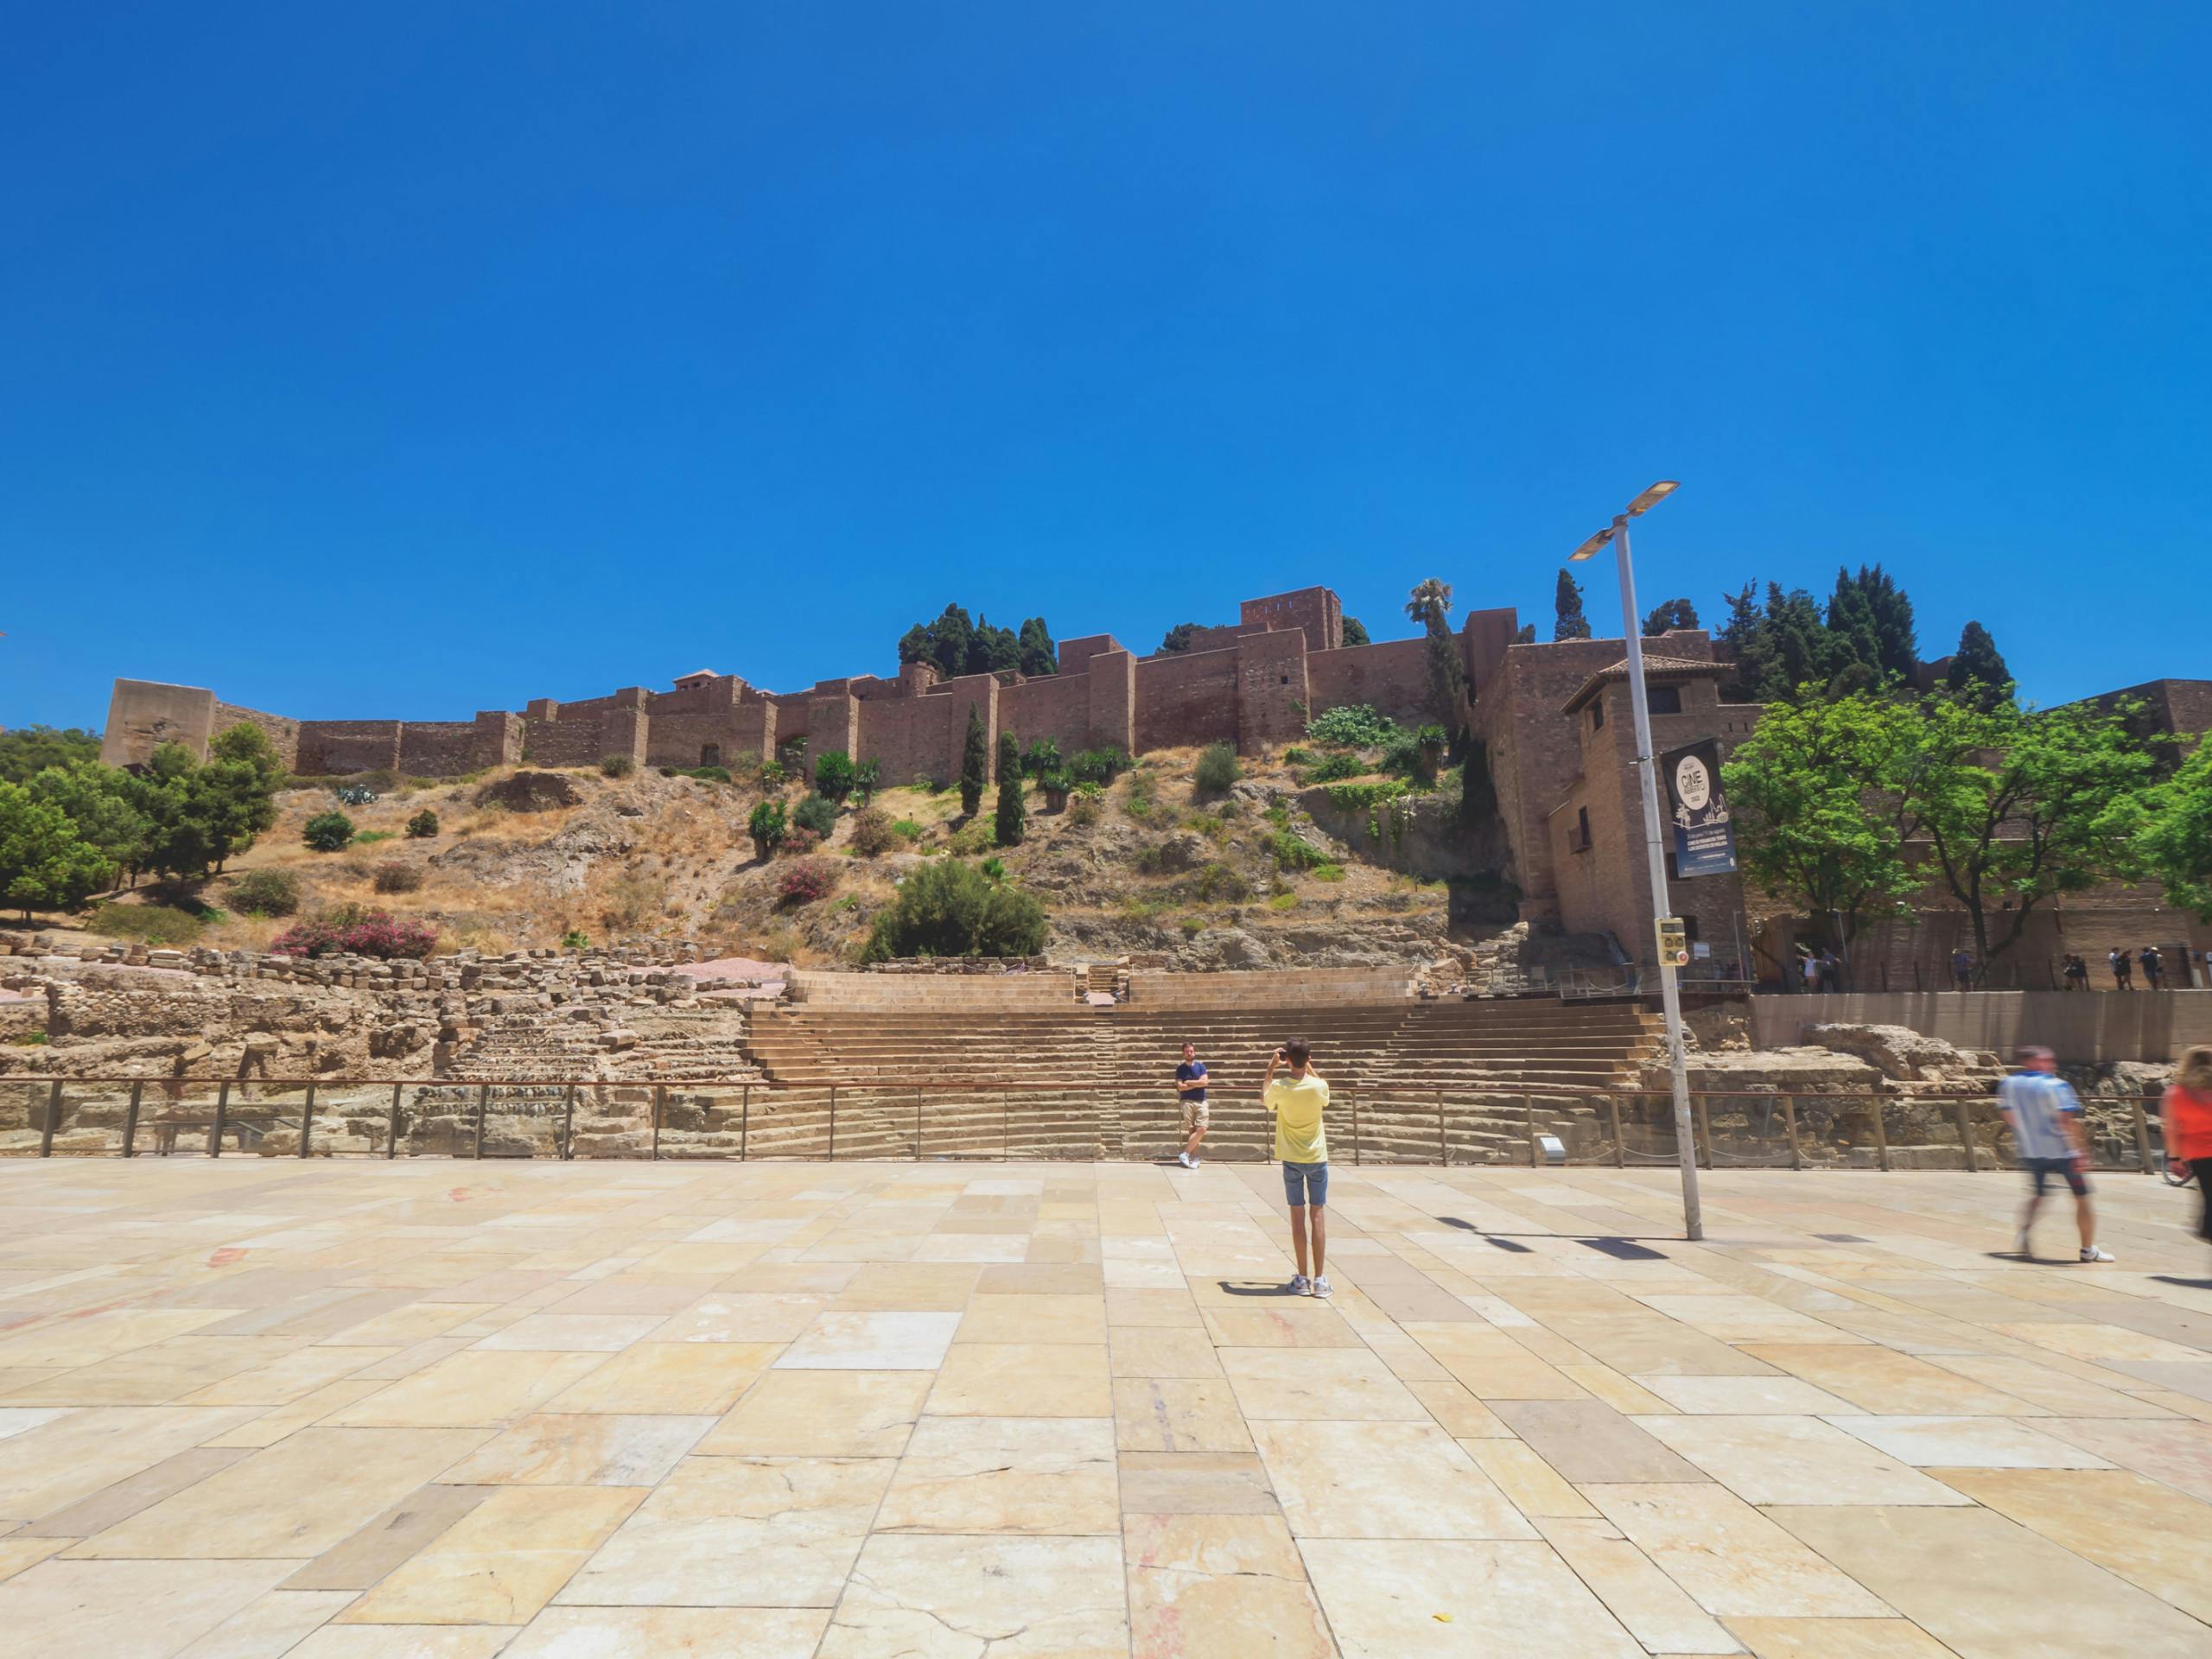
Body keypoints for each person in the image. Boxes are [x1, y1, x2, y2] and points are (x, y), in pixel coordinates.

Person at [2000, 1045, 2113, 1262]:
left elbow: (2009, 1117)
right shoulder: (2057, 1086)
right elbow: (2066, 1123)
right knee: (2082, 1199)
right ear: (2034, 1062)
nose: (2053, 1065)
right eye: (2048, 1060)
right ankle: (2087, 1250)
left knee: (2039, 1194)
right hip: (2063, 1153)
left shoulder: (2009, 1084)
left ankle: (2024, 1231)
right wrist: (2080, 1152)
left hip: (2032, 1150)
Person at [1264, 1039, 1332, 1297]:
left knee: (1297, 1216)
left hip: (1292, 1157)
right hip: (1317, 1157)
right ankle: (1320, 1280)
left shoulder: (1280, 1087)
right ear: (1309, 1058)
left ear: (1287, 1060)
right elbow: (1322, 1092)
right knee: (1318, 1214)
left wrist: (1271, 1068)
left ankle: (1302, 1278)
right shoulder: (1319, 1086)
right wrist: (1307, 1066)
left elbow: (1265, 1100)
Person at [2165, 1046, 2212, 1253]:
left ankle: (2208, 1228)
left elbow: (2172, 1129)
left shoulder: (2176, 1094)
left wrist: (2174, 1158)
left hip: (2197, 1154)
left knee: (2209, 1194)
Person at [1173, 1041, 1208, 1168]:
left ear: (1194, 1052)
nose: (1189, 1053)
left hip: (1201, 1101)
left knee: (1202, 1129)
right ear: (1183, 1054)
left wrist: (1188, 1082)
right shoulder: (1180, 1069)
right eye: (1187, 1051)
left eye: (1191, 1051)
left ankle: (1185, 1153)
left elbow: (1205, 1082)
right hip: (1187, 1101)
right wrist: (1196, 1084)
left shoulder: (1201, 1066)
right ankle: (1195, 1158)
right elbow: (1180, 1087)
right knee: (1192, 1130)